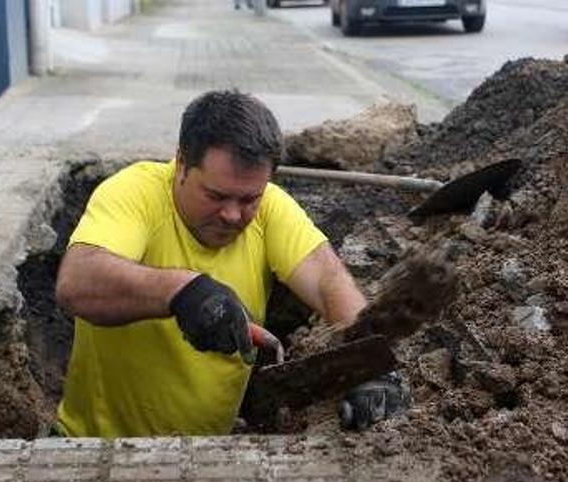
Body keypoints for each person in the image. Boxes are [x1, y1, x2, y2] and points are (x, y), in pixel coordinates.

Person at [54, 90, 369, 437]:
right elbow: (77, 281)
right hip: (97, 451)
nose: (233, 215)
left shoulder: (272, 209)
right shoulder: (135, 193)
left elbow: (327, 279)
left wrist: (372, 358)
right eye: (216, 196)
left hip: (208, 454)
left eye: (249, 198)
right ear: (181, 165)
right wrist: (183, 291)